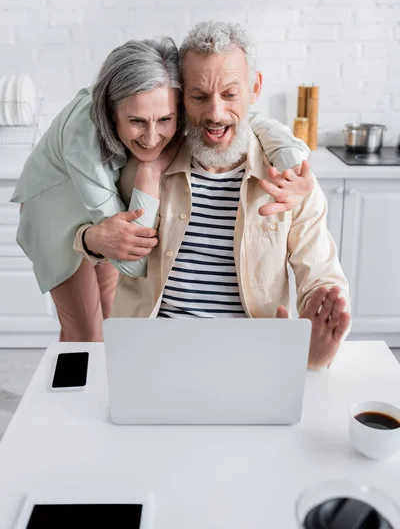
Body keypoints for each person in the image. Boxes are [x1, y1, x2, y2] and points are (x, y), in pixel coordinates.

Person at [76, 21, 351, 370]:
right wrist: (92, 237)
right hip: (151, 355)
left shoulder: (289, 181)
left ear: (255, 88)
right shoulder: (142, 159)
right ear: (180, 97)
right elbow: (83, 231)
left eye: (230, 94)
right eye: (199, 96)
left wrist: (320, 321)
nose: (215, 114)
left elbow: (322, 275)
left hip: (252, 357)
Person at [11, 36, 313, 342]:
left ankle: (106, 385)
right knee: (86, 331)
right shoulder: (83, 142)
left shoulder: (163, 95)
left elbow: (239, 117)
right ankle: (74, 389)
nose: (153, 138)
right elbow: (133, 263)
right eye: (137, 121)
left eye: (165, 120)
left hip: (104, 202)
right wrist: (150, 170)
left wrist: (292, 159)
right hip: (55, 206)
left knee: (111, 317)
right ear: (111, 111)